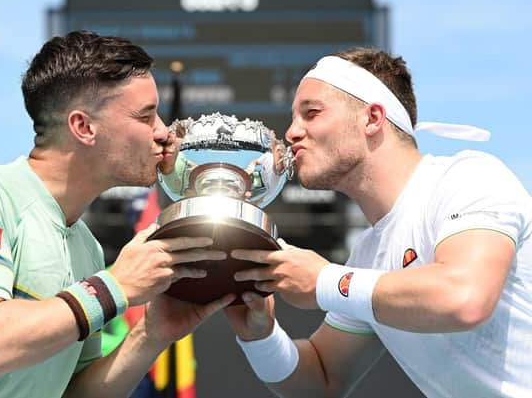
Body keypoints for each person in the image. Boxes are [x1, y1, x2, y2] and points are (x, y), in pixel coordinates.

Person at [0, 30, 235, 398]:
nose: (163, 133)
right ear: (84, 127)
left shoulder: (85, 246)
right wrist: (114, 286)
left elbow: (74, 393)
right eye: (145, 116)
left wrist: (151, 334)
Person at [225, 48, 532, 397]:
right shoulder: (366, 258)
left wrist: (326, 281)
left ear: (372, 118)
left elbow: (465, 297)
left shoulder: (469, 176)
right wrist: (259, 335)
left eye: (311, 113)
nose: (292, 132)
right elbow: (321, 381)